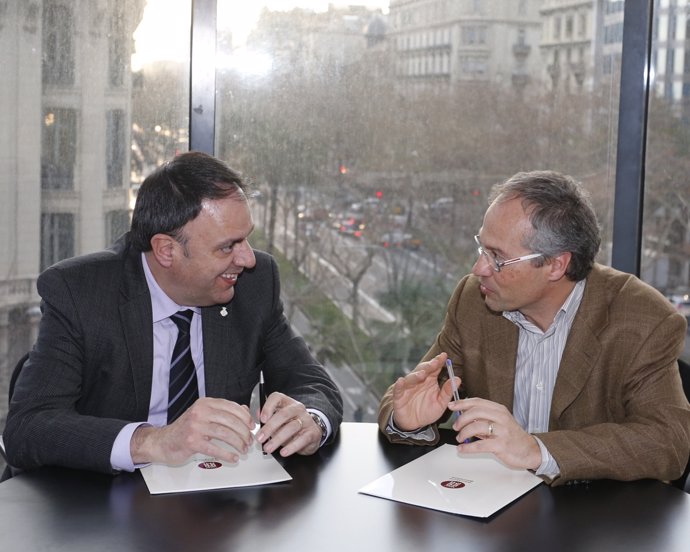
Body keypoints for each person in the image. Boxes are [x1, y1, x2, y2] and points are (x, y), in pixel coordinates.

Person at [4, 151, 343, 474]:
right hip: (95, 507)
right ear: (166, 250)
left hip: (214, 505)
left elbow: (312, 383)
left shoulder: (253, 284)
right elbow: (27, 426)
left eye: (245, 240)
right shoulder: (80, 293)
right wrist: (153, 442)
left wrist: (310, 419)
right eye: (228, 246)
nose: (248, 259)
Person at [378, 170, 690, 486]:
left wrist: (537, 450)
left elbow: (669, 442)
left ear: (556, 265)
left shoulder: (642, 319)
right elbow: (421, 391)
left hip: (595, 519)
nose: (479, 269)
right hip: (493, 509)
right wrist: (407, 420)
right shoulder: (473, 301)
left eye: (497, 257)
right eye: (482, 248)